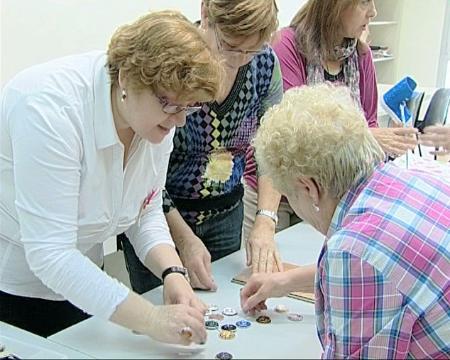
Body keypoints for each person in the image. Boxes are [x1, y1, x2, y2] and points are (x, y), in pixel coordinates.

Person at [0, 10, 223, 344]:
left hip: (84, 280)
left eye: (189, 109)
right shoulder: (48, 110)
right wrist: (149, 317)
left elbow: (145, 208)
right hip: (17, 291)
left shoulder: (160, 115)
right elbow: (51, 254)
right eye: (170, 105)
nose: (179, 121)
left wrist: (172, 272)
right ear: (127, 79)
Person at [240, 84, 450, 359]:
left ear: (310, 189)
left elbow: (368, 262)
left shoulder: (353, 250)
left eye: (290, 195)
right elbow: (393, 269)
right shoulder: (416, 176)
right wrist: (287, 281)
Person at [119, 0, 284, 294]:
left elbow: (272, 146)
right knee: (166, 311)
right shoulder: (175, 61)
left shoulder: (265, 63)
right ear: (206, 13)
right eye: (231, 46)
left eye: (252, 50)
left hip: (225, 213)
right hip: (160, 218)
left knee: (221, 308)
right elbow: (143, 174)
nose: (240, 60)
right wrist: (182, 238)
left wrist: (266, 219)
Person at [243, 0, 419, 239]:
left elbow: (369, 124)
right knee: (266, 268)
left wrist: (386, 143)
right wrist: (366, 138)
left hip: (329, 197)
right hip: (279, 195)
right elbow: (287, 136)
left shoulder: (360, 55)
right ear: (335, 5)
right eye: (364, 2)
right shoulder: (287, 46)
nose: (373, 12)